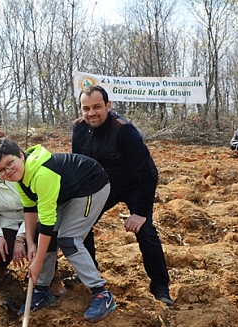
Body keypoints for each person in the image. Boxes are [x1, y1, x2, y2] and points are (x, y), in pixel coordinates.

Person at [0, 138, 116, 323]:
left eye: (10, 164)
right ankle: (42, 290)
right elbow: (30, 208)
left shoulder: (41, 174)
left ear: (20, 155)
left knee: (68, 239)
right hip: (66, 193)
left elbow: (47, 222)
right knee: (43, 238)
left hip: (90, 187)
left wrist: (37, 262)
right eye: (1, 170)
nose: (8, 171)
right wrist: (30, 243)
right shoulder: (20, 177)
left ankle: (101, 294)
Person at [72, 85, 174, 306]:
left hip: (134, 185)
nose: (92, 113)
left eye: (97, 107)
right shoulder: (78, 129)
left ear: (108, 106)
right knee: (80, 225)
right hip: (100, 187)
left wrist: (139, 213)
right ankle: (90, 276)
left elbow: (147, 173)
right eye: (86, 108)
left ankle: (160, 286)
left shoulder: (124, 131)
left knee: (146, 231)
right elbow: (77, 166)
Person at [0, 127, 67, 296]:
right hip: (7, 222)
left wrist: (21, 238)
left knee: (42, 237)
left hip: (34, 220)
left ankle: (53, 278)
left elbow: (34, 207)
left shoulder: (16, 168)